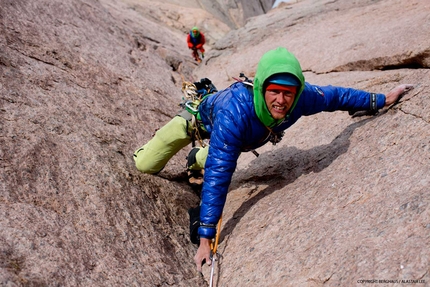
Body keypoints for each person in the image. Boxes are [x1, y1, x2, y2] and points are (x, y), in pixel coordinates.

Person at [133, 47, 414, 272]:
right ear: (261, 88)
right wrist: (205, 237)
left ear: (297, 92)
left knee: (221, 152)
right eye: (274, 91)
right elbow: (219, 175)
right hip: (195, 122)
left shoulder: (301, 99)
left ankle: (197, 157)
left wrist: (379, 100)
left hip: (235, 139)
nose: (281, 100)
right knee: (145, 165)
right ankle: (185, 151)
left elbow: (336, 96)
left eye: (288, 93)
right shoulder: (235, 113)